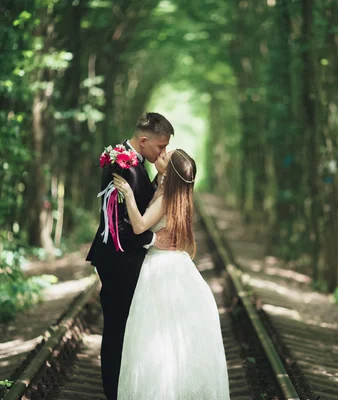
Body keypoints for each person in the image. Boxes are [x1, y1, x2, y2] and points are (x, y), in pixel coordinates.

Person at [112, 149, 230, 400]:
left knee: (157, 337)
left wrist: (129, 196)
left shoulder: (167, 197)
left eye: (167, 156)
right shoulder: (168, 192)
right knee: (164, 337)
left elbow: (140, 225)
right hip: (170, 264)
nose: (161, 155)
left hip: (160, 268)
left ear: (170, 172)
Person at [86, 112, 174, 400]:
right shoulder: (119, 163)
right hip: (117, 260)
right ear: (144, 140)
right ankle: (114, 392)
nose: (163, 153)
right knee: (116, 329)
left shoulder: (137, 162)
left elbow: (143, 202)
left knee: (128, 327)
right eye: (161, 147)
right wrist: (153, 239)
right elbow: (117, 222)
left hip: (127, 259)